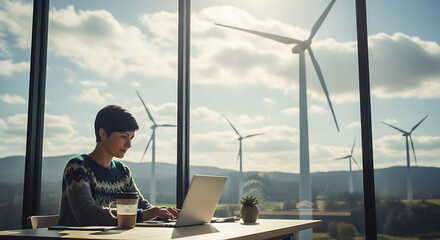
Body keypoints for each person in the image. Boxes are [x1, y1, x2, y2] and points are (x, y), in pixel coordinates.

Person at [57, 105, 180, 226]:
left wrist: (164, 211)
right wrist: (142, 215)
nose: (129, 144)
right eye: (124, 137)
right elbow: (87, 215)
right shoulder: (78, 167)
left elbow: (141, 205)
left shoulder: (123, 171)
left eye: (131, 138)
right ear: (103, 133)